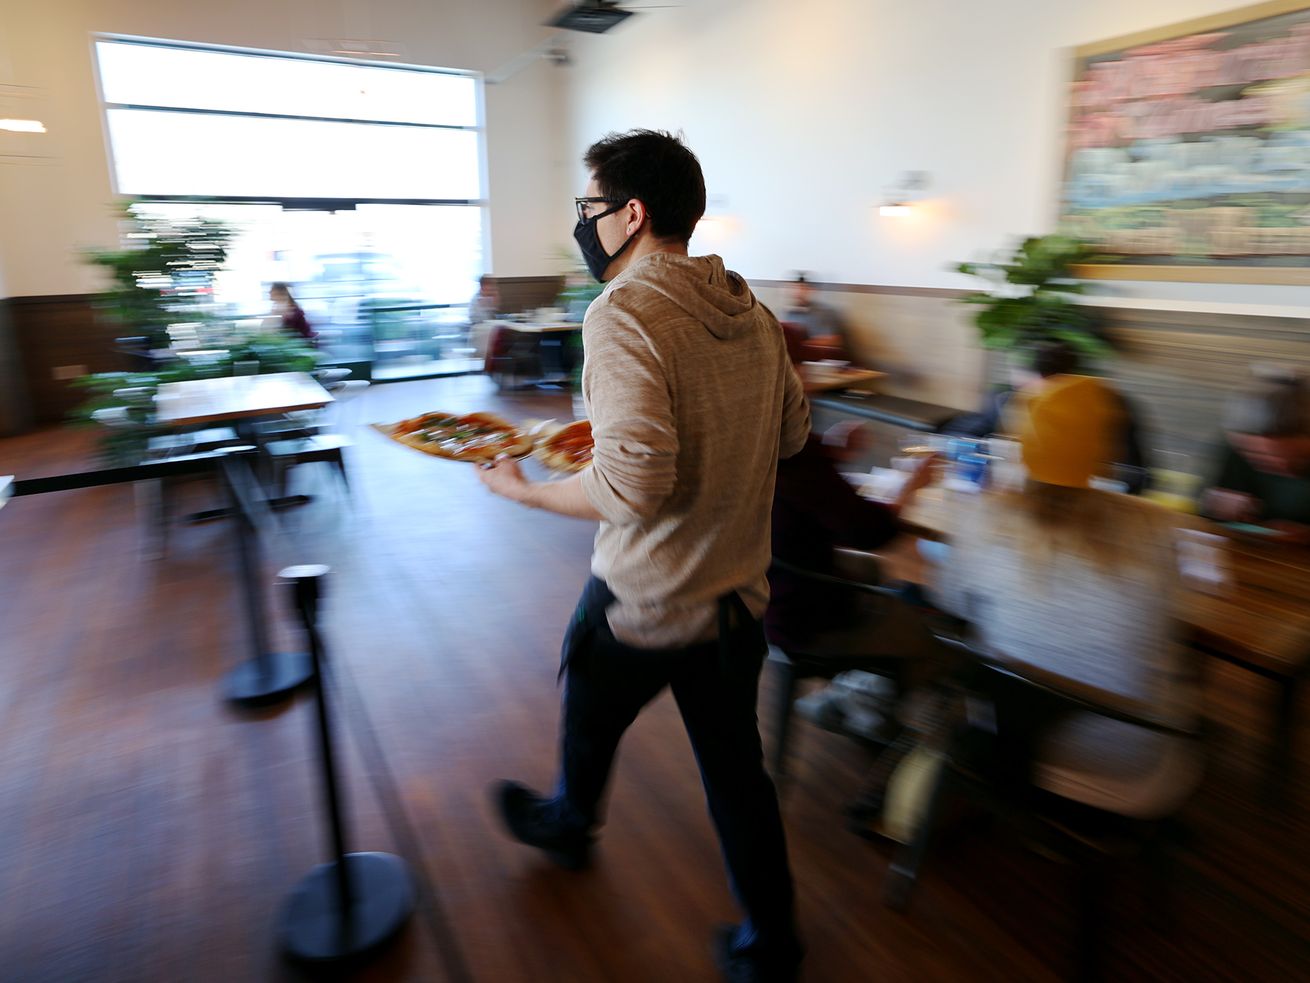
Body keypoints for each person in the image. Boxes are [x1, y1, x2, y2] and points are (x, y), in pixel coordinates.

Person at [477, 129, 810, 983]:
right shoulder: (753, 309)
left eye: (589, 208)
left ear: (633, 213)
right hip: (737, 599)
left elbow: (631, 489)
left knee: (587, 697)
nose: (583, 225)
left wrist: (523, 492)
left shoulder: (622, 312)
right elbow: (793, 432)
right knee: (739, 775)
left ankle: (569, 821)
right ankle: (773, 947)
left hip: (648, 596)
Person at [768, 421, 947, 737]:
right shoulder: (799, 454)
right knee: (934, 638)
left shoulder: (755, 442)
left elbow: (806, 498)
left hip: (758, 599)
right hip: (804, 619)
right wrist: (912, 485)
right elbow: (872, 533)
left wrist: (834, 452)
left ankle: (864, 688)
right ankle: (868, 710)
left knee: (876, 572)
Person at [946, 340, 1149, 493]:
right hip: (1020, 497)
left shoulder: (1106, 405)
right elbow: (968, 432)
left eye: (1018, 374)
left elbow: (1133, 473)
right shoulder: (1007, 400)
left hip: (1089, 501)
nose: (1015, 382)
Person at [1202, 369, 1310, 544]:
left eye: (1273, 454)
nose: (1257, 461)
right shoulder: (1237, 447)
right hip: (1248, 555)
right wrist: (1215, 507)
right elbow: (1208, 514)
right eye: (1250, 453)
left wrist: (1306, 536)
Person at [784, 272, 847, 352]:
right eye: (794, 287)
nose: (798, 291)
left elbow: (833, 341)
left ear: (812, 290)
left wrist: (800, 345)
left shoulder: (825, 312)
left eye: (803, 288)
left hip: (821, 357)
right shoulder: (789, 312)